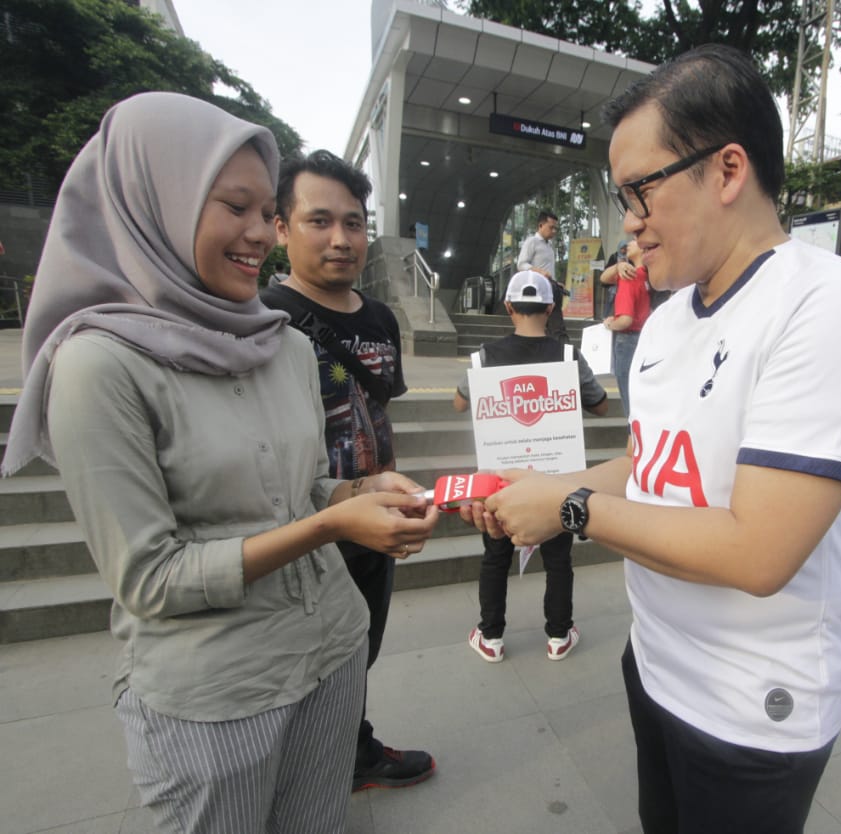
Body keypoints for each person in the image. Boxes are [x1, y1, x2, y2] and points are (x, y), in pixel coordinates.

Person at [462, 45, 841, 834]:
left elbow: (758, 551)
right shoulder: (667, 323)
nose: (628, 222)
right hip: (657, 664)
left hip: (752, 709)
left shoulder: (828, 303)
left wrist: (568, 509)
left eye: (640, 191)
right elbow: (654, 464)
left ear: (728, 169)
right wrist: (527, 493)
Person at [0, 92, 437, 833]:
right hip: (216, 699)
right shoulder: (98, 366)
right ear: (155, 202)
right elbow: (150, 577)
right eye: (234, 207)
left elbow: (301, 489)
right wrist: (333, 524)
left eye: (263, 212)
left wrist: (362, 486)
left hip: (331, 655)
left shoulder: (282, 343)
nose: (256, 236)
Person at [260, 150, 436, 793]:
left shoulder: (381, 319)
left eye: (355, 223)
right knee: (300, 660)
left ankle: (352, 751)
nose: (341, 239)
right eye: (319, 221)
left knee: (362, 647)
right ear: (281, 228)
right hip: (296, 529)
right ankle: (293, 770)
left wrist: (397, 500)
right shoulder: (259, 319)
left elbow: (377, 413)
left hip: (371, 521)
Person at [455, 270, 607, 662]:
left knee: (495, 555)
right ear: (551, 308)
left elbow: (460, 402)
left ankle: (491, 636)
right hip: (555, 477)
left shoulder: (484, 356)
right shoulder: (569, 356)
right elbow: (600, 404)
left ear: (508, 307)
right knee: (559, 558)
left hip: (501, 478)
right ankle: (559, 635)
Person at [601, 239, 650, 416]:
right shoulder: (647, 276)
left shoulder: (629, 278)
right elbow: (604, 278)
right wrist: (618, 266)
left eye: (635, 240)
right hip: (644, 339)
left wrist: (609, 323)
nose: (629, 243)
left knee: (630, 403)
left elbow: (625, 320)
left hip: (627, 340)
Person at [516, 209, 568, 341]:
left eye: (555, 228)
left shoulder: (549, 246)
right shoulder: (531, 242)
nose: (554, 231)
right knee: (552, 322)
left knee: (553, 321)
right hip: (537, 289)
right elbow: (521, 265)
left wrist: (556, 282)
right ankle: (560, 343)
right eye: (551, 227)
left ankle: (556, 344)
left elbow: (549, 270)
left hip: (551, 288)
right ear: (540, 225)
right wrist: (539, 272)